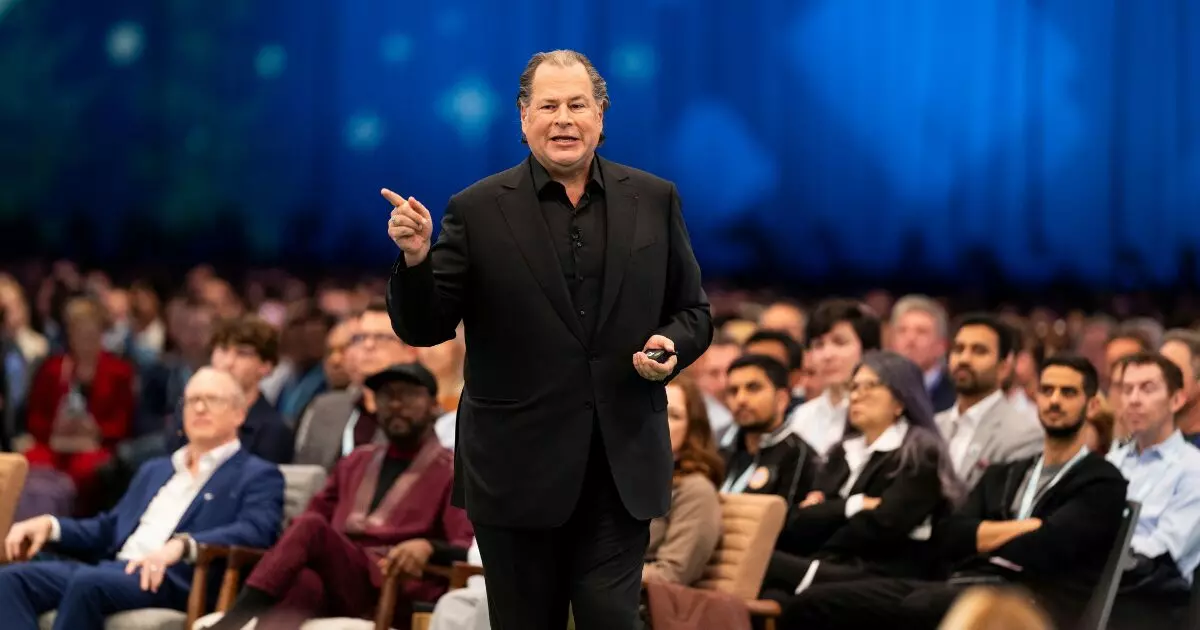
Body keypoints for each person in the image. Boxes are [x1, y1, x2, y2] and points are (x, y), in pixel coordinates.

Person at [383, 49, 712, 630]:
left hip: (621, 467)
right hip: (514, 472)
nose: (564, 119)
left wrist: (670, 345)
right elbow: (425, 327)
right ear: (523, 117)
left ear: (601, 115)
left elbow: (693, 312)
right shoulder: (477, 209)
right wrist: (416, 260)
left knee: (611, 620)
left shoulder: (655, 198)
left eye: (578, 105)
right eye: (549, 106)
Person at [778, 354, 1127, 630]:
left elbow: (1048, 548)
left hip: (1034, 603)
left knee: (917, 607)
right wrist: (1027, 527)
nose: (1055, 401)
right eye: (1047, 390)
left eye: (1068, 393)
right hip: (963, 583)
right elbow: (950, 534)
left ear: (1092, 405)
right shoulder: (1007, 472)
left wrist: (983, 536)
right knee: (811, 603)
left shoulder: (1102, 481)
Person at [0, 367, 284, 629]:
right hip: (114, 569)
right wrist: (51, 525)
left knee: (89, 582)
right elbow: (110, 528)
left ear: (239, 414)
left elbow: (256, 530)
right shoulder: (155, 469)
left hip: (175, 577)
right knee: (11, 580)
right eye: (192, 400)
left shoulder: (258, 475)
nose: (200, 408)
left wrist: (184, 545)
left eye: (212, 400)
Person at [203, 363, 473, 630]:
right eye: (386, 395)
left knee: (312, 528)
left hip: (393, 587)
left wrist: (429, 547)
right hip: (341, 576)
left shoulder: (451, 470)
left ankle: (231, 623)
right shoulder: (356, 461)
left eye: (408, 395)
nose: (395, 404)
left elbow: (466, 548)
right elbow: (309, 520)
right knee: (304, 581)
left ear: (434, 405)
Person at [762, 351, 961, 602]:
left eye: (871, 386)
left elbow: (884, 526)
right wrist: (853, 505)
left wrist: (824, 515)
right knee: (770, 596)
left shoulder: (920, 456)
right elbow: (798, 522)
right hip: (833, 565)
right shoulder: (840, 453)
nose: (856, 396)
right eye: (854, 387)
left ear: (900, 402)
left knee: (762, 562)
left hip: (884, 575)